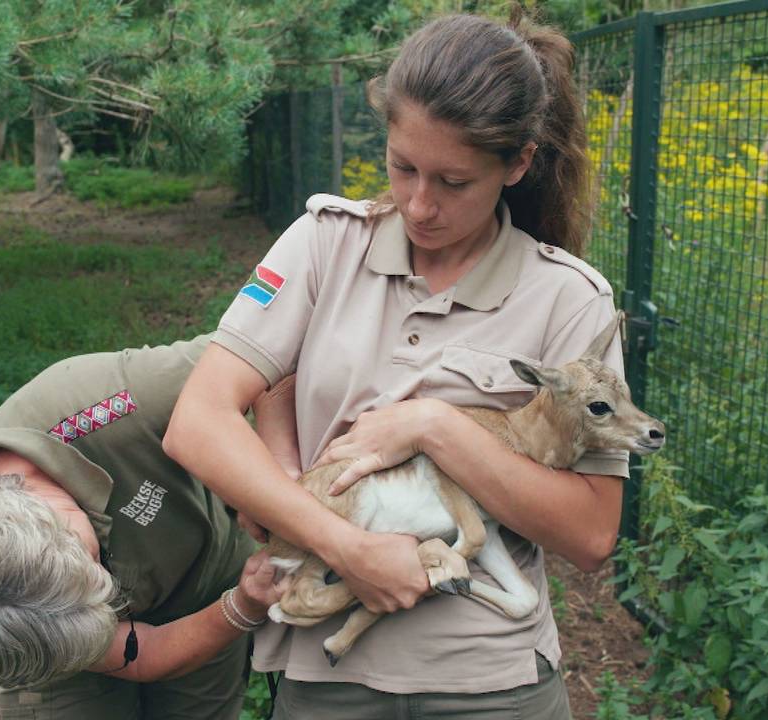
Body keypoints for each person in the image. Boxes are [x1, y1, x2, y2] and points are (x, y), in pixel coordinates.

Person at [163, 12, 629, 718]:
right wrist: (344, 545)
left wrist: (435, 427)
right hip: (326, 674)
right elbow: (198, 423)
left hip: (493, 684)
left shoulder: (570, 299)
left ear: (519, 164)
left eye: (453, 182)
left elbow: (592, 534)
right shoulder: (323, 244)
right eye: (402, 166)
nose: (419, 204)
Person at [0, 335, 297, 719]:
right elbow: (142, 653)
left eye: (92, 565)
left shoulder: (109, 402)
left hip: (203, 580)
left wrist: (270, 481)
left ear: (42, 514)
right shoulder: (3, 616)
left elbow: (272, 350)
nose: (106, 592)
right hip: (59, 645)